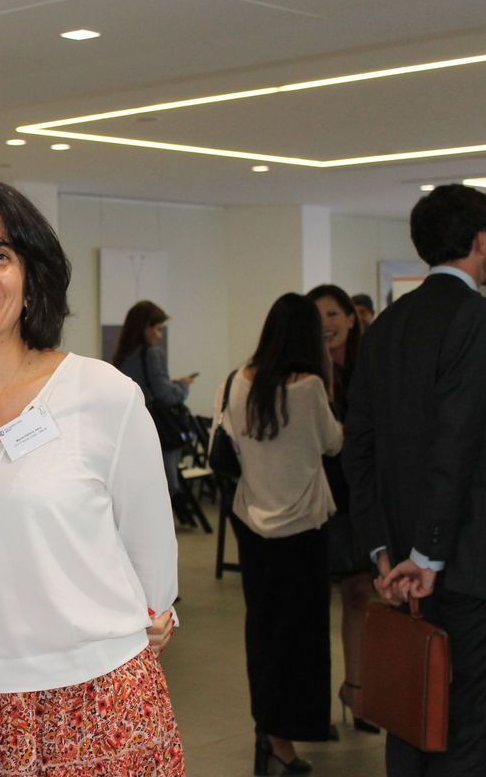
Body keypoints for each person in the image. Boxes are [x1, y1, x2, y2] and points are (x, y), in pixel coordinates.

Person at [0, 180, 184, 776]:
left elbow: (152, 562)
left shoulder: (102, 394)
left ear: (31, 281)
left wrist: (156, 614)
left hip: (97, 704)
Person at [343, 184, 486, 776]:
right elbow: (456, 441)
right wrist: (428, 556)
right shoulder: (476, 315)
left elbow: (358, 448)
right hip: (469, 567)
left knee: (415, 716)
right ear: (480, 240)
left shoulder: (388, 323)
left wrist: (384, 554)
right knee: (470, 728)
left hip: (402, 569)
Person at [215, 293, 341, 775]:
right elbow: (332, 442)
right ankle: (283, 740)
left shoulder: (236, 382)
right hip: (302, 531)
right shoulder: (309, 388)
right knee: (301, 641)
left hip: (252, 526)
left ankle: (269, 734)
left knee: (264, 634)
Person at [306, 284, 379, 736]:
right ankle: (312, 705)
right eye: (317, 317)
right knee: (314, 603)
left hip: (360, 493)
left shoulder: (370, 367)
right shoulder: (306, 374)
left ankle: (356, 689)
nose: (327, 324)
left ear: (352, 318)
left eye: (334, 314)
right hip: (318, 496)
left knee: (359, 595)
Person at [112, 300, 195, 501]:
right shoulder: (152, 353)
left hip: (131, 432)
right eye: (157, 329)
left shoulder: (121, 357)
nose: (159, 336)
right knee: (164, 491)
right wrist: (183, 385)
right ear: (145, 328)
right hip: (157, 430)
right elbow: (166, 396)